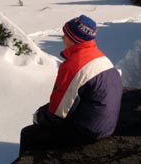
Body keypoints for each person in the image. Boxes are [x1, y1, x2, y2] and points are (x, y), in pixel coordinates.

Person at [18, 14, 123, 154]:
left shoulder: (75, 66)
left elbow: (59, 113)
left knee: (28, 135)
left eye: (65, 35)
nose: (62, 38)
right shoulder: (100, 57)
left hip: (89, 130)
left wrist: (38, 117)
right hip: (106, 124)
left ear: (74, 39)